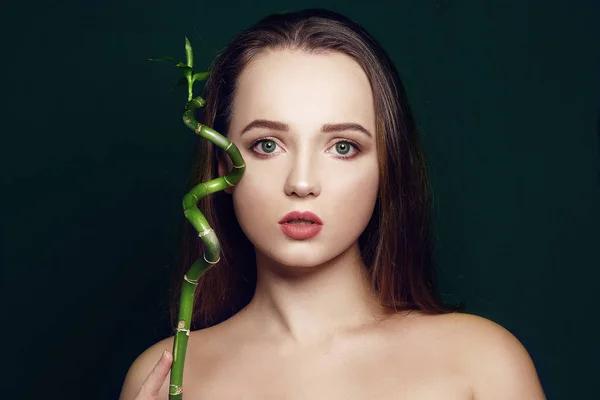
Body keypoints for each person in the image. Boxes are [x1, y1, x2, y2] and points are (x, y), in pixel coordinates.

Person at [120, 8, 546, 399]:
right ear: (221, 169)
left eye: (343, 147)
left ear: (387, 167)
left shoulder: (480, 363)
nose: (302, 182)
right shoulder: (166, 373)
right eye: (267, 145)